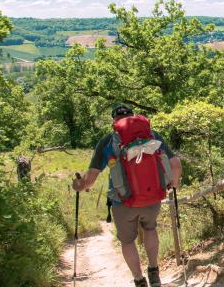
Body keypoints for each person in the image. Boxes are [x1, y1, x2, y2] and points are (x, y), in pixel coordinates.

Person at [72, 104, 182, 287]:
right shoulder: (152, 136)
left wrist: (78, 185)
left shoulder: (108, 141)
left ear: (114, 121)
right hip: (153, 197)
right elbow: (176, 164)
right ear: (133, 117)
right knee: (150, 229)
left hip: (122, 201)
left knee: (127, 241)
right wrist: (173, 185)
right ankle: (154, 271)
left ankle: (139, 280)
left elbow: (89, 180)